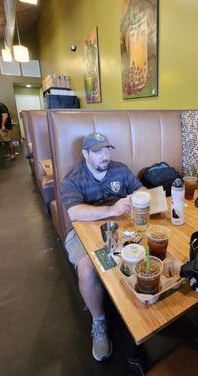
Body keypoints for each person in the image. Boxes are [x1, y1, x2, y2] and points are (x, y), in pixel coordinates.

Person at [61, 132, 143, 361]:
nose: (105, 155)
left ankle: (139, 310)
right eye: (98, 151)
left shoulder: (120, 169)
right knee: (88, 268)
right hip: (82, 230)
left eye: (107, 150)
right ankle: (99, 322)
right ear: (85, 154)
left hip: (121, 225)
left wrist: (139, 199)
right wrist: (111, 210)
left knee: (144, 250)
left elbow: (141, 190)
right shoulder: (73, 178)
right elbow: (74, 212)